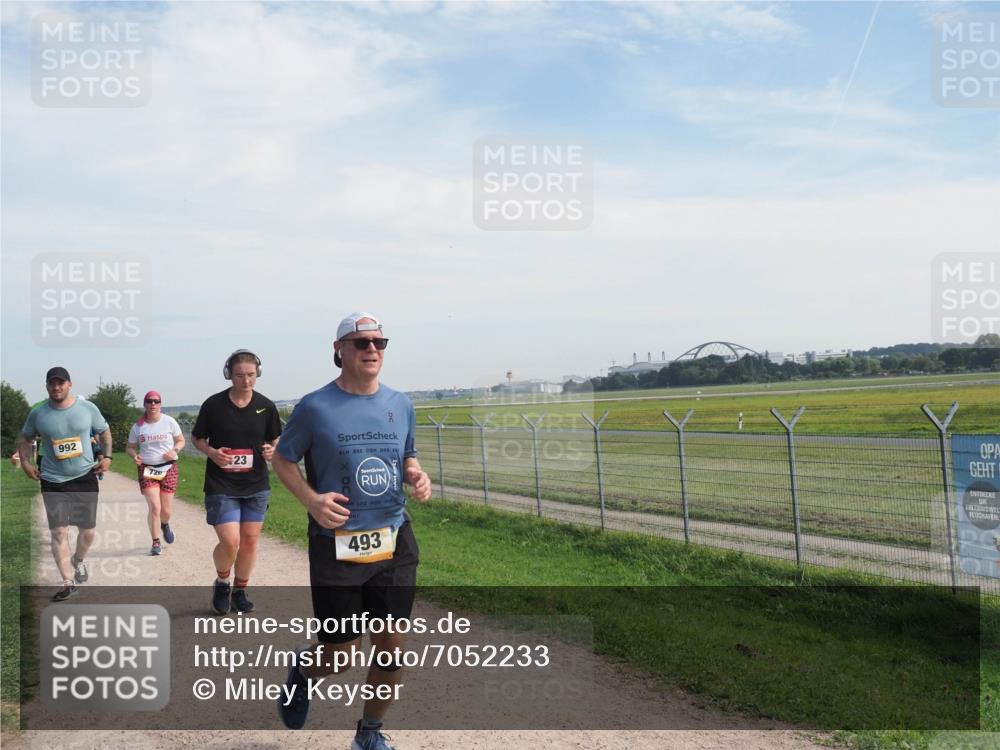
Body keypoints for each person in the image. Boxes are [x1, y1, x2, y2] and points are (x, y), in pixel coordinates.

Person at [272, 312, 431, 749]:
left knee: (391, 646)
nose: (372, 349)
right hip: (336, 546)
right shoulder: (314, 406)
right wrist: (311, 500)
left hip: (393, 539)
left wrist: (416, 474)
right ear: (339, 349)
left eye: (380, 342)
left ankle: (369, 733)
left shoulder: (401, 404)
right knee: (340, 656)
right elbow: (283, 459)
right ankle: (303, 671)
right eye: (361, 342)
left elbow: (408, 455)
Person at [192, 350, 281, 615]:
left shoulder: (266, 405)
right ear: (229, 374)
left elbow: (276, 438)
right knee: (231, 541)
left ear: (258, 374)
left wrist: (272, 450)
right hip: (222, 484)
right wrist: (211, 453)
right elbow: (198, 438)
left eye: (251, 375)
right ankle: (222, 582)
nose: (246, 381)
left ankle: (240, 590)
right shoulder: (214, 405)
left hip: (255, 485)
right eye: (240, 375)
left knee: (250, 541)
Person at [18, 367, 112, 601]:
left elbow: (105, 432)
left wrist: (107, 456)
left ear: (70, 384)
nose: (56, 387)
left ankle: (78, 560)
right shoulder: (38, 414)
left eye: (61, 383)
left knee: (87, 531)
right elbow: (25, 438)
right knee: (59, 531)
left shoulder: (87, 408)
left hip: (84, 476)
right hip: (53, 480)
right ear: (47, 386)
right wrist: (26, 463)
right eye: (52, 383)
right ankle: (67, 582)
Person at [126, 391, 185, 556]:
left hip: (168, 468)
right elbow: (130, 447)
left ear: (160, 404)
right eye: (149, 401)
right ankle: (156, 542)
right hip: (147, 469)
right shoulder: (138, 427)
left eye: (156, 401)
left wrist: (174, 450)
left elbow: (181, 440)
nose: (153, 404)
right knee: (155, 507)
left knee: (166, 511)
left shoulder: (169, 421)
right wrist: (134, 455)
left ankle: (165, 524)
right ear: (144, 404)